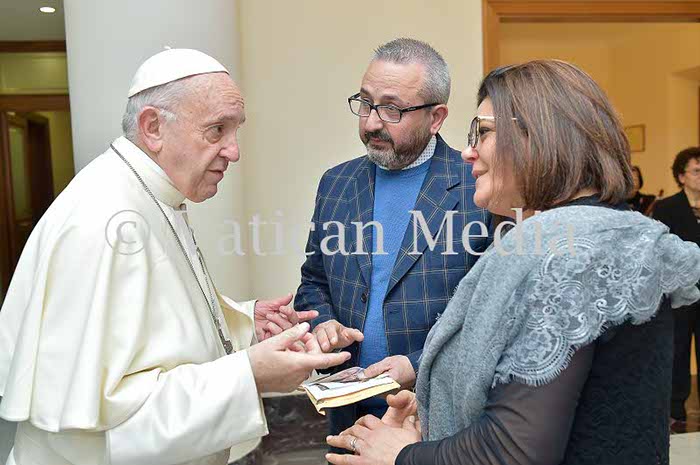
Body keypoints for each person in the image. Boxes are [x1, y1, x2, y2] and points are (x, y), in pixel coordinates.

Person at [326, 60, 700, 465]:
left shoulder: (568, 255)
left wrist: (402, 455)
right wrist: (435, 419)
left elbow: (513, 449)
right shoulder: (599, 236)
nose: (468, 151)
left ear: (539, 136)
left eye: (482, 132)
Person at [0, 48, 350, 465]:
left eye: (235, 130)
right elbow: (110, 426)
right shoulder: (104, 220)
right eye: (216, 130)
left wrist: (243, 322)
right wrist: (250, 374)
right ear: (153, 127)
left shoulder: (150, 194)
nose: (233, 151)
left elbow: (153, 328)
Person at [294, 38, 491, 443]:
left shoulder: (479, 188)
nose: (370, 123)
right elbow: (313, 282)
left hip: (439, 423)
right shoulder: (336, 184)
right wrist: (323, 323)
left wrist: (416, 365)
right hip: (348, 418)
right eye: (365, 103)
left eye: (391, 109)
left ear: (436, 118)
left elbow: (487, 315)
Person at [653, 147, 700, 429]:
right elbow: (661, 250)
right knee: (679, 351)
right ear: (681, 176)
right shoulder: (667, 207)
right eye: (697, 171)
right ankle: (675, 410)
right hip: (681, 293)